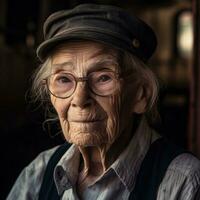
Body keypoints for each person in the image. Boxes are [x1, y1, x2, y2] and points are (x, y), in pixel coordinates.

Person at [7, 3, 200, 200]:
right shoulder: (39, 173)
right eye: (64, 79)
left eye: (103, 78)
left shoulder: (184, 182)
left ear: (140, 95)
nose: (80, 100)